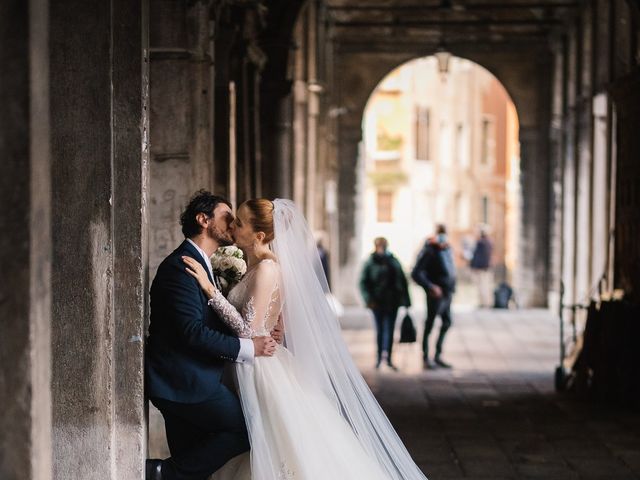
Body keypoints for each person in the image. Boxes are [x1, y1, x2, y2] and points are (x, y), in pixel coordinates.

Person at [183, 199, 428, 480]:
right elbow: (271, 317)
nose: (233, 227)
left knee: (269, 442)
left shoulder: (267, 269)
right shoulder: (258, 266)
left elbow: (248, 331)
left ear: (259, 235)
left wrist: (211, 291)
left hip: (258, 367)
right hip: (252, 360)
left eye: (240, 222)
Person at [144, 190, 280, 480]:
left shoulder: (205, 264)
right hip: (182, 380)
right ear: (203, 220)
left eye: (237, 221)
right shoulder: (181, 267)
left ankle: (165, 473)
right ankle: (159, 472)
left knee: (195, 458)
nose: (232, 225)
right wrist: (249, 347)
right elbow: (192, 332)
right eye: (227, 218)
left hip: (198, 374)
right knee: (245, 429)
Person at [359, 237, 411, 370]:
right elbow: (363, 283)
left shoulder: (393, 261)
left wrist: (407, 301)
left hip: (392, 302)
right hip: (377, 303)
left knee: (390, 330)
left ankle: (388, 358)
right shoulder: (370, 263)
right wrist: (368, 299)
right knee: (380, 330)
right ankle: (378, 358)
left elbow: (402, 281)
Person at [412, 224, 456, 370]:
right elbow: (416, 273)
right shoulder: (430, 251)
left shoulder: (447, 249)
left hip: (448, 293)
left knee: (447, 323)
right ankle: (425, 357)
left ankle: (437, 355)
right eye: (441, 234)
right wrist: (431, 287)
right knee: (430, 324)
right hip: (436, 295)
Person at [470, 226, 493, 308]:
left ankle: (484, 303)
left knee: (482, 286)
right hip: (486, 267)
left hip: (481, 268)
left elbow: (477, 256)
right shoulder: (489, 242)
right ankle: (486, 302)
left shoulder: (480, 243)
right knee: (485, 285)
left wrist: (474, 266)